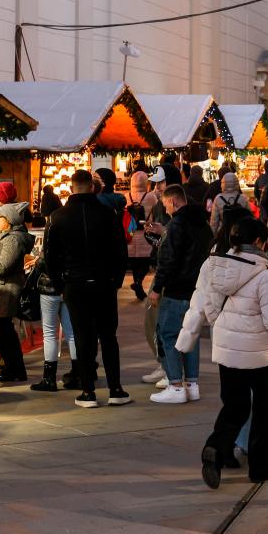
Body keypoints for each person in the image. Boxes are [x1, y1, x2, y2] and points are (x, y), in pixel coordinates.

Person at [177, 217, 268, 488]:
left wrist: (186, 340)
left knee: (234, 405)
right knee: (264, 410)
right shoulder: (264, 275)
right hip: (260, 353)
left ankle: (217, 448)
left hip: (227, 350)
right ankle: (260, 469)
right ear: (259, 241)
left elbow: (198, 304)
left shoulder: (212, 266)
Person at [44, 170, 131, 408]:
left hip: (74, 283)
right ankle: (115, 389)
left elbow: (50, 256)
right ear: (92, 187)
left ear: (72, 187)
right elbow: (120, 250)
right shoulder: (108, 214)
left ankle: (87, 391)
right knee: (108, 336)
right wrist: (116, 280)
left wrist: (60, 285)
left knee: (82, 336)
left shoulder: (58, 217)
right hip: (103, 282)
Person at [149, 185, 214, 404]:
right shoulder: (203, 224)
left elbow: (168, 260)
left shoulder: (177, 225)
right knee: (191, 335)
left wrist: (157, 288)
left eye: (165, 204)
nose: (165, 209)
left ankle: (175, 385)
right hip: (197, 290)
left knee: (168, 335)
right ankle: (192, 385)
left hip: (176, 290)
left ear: (173, 202)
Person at [0, 201, 35, 383]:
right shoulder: (8, 237)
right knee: (2, 330)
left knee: (5, 331)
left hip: (6, 289)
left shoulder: (12, 240)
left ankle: (15, 369)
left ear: (9, 220)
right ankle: (11, 368)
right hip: (3, 288)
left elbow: (2, 267)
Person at [29, 243, 78, 391]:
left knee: (49, 333)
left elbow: (48, 263)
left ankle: (49, 379)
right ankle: (78, 375)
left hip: (50, 288)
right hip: (68, 286)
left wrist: (37, 261)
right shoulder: (74, 235)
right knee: (71, 333)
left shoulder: (53, 234)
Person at [126, 171, 157, 301]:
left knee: (134, 262)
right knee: (146, 260)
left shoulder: (127, 196)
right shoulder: (151, 197)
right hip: (146, 232)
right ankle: (138, 282)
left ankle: (137, 284)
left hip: (131, 233)